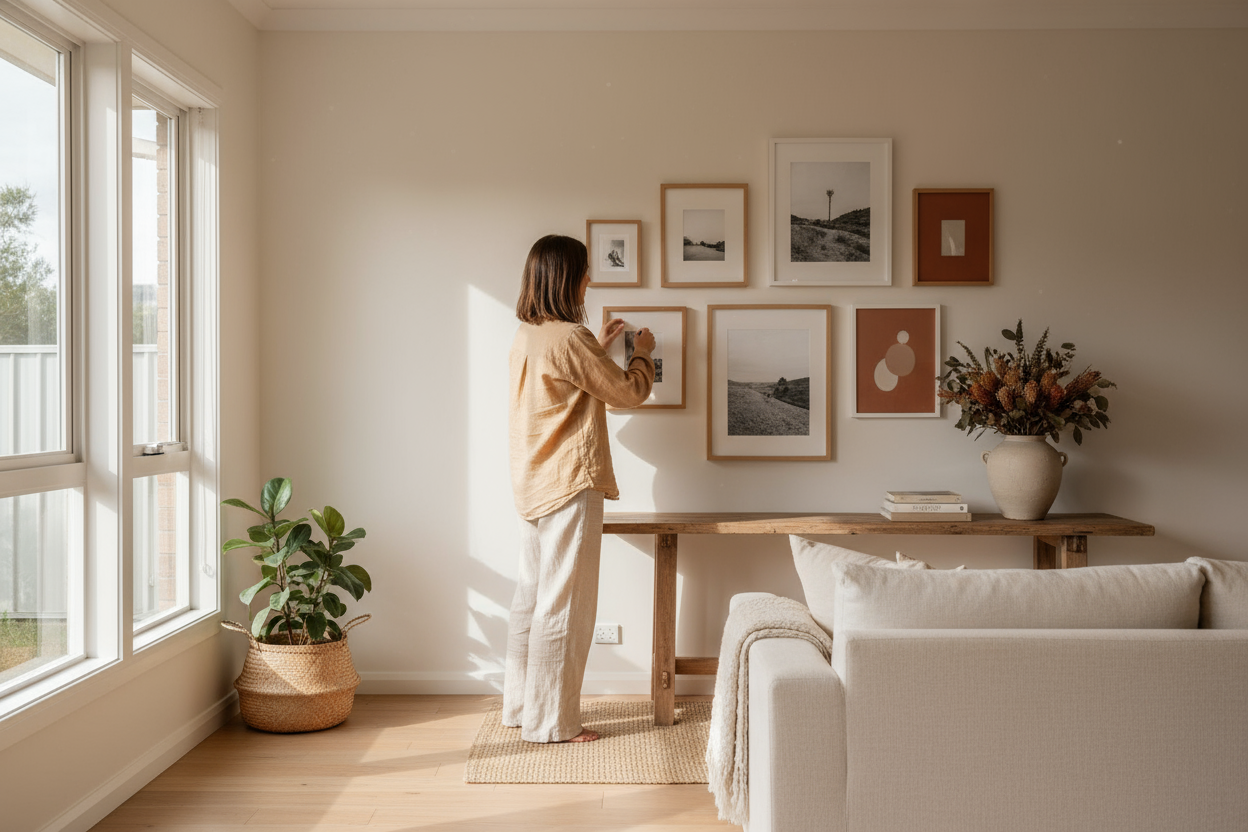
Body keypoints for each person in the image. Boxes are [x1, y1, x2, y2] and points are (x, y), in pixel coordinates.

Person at [504, 234, 656, 743]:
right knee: (564, 603)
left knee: (531, 597)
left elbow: (564, 384)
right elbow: (628, 393)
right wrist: (642, 355)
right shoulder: (572, 337)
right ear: (568, 276)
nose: (591, 278)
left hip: (532, 480)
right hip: (570, 479)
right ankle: (552, 723)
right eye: (586, 270)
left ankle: (522, 708)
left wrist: (603, 348)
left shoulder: (529, 335)